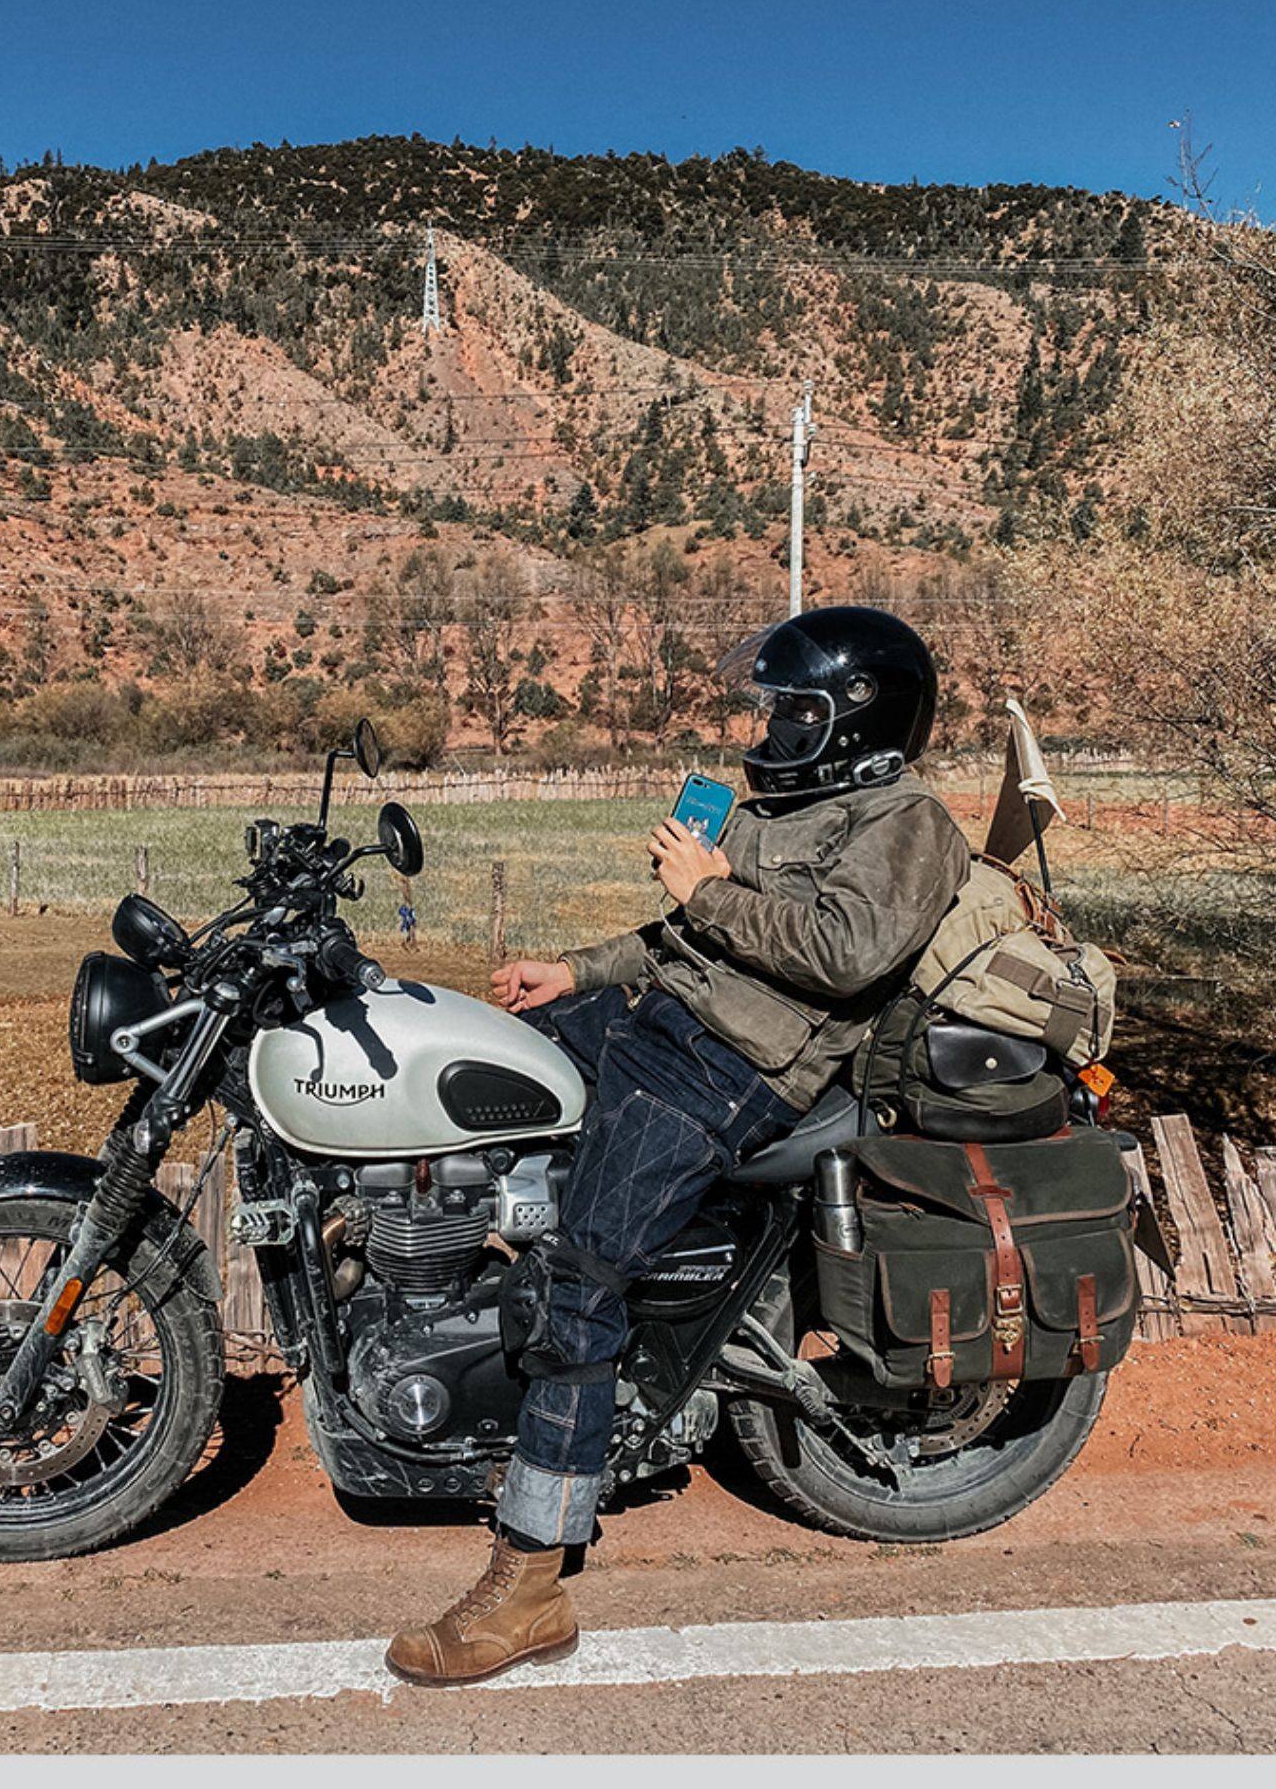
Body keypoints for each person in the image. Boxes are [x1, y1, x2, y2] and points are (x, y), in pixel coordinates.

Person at [385, 606, 970, 1686]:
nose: (772, 729)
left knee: (583, 1277)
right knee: (468, 1076)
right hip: (662, 1021)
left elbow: (844, 952)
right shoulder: (786, 810)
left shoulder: (907, 823)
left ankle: (531, 1580)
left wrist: (710, 886)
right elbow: (687, 938)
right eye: (772, 709)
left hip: (727, 1066)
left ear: (855, 717)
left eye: (793, 712)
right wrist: (578, 973)